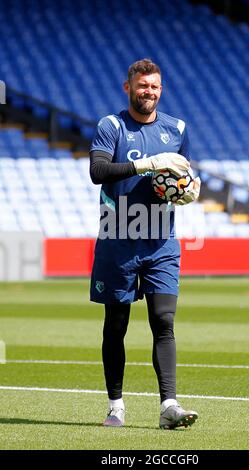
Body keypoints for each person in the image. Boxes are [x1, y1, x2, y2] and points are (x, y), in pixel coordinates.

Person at [89, 58, 200, 429]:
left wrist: (189, 189)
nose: (148, 91)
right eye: (142, 85)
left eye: (154, 86)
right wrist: (146, 164)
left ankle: (169, 405)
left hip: (160, 243)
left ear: (161, 90)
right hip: (117, 238)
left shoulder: (177, 128)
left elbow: (183, 175)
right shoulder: (112, 126)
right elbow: (98, 172)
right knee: (116, 323)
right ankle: (116, 406)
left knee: (163, 321)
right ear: (128, 87)